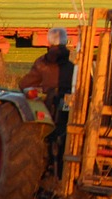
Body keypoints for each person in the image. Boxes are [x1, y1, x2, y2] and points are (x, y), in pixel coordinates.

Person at [19, 26, 74, 175]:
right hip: (70, 113)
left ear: (49, 41)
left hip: (48, 110)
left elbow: (24, 85)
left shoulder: (42, 63)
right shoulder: (73, 64)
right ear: (65, 41)